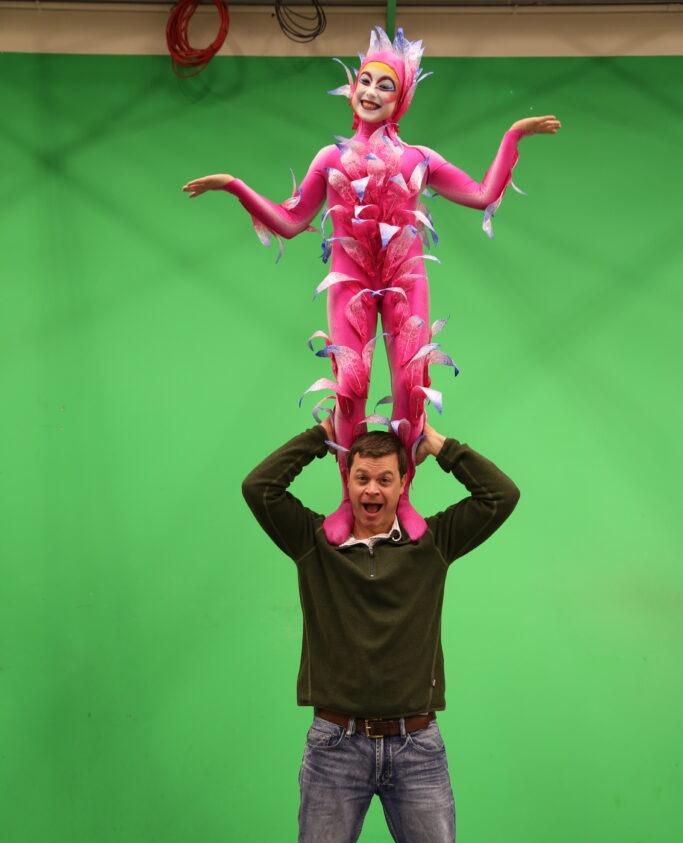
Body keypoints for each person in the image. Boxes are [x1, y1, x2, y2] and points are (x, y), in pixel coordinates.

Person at [185, 26, 559, 545]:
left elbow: (480, 194)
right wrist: (236, 186)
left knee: (410, 385)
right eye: (365, 80)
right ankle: (347, 497)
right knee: (350, 388)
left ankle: (403, 498)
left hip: (407, 277)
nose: (371, 92)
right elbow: (291, 222)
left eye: (386, 85)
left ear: (400, 99)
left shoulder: (419, 158)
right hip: (351, 279)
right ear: (352, 88)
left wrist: (511, 137)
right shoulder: (330, 157)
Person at [242, 415, 520, 843]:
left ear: (403, 483)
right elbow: (259, 488)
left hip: (417, 748)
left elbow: (501, 496)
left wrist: (439, 445)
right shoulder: (313, 543)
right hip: (334, 747)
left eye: (385, 479)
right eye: (362, 477)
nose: (372, 489)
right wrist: (319, 437)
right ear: (348, 479)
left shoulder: (433, 544)